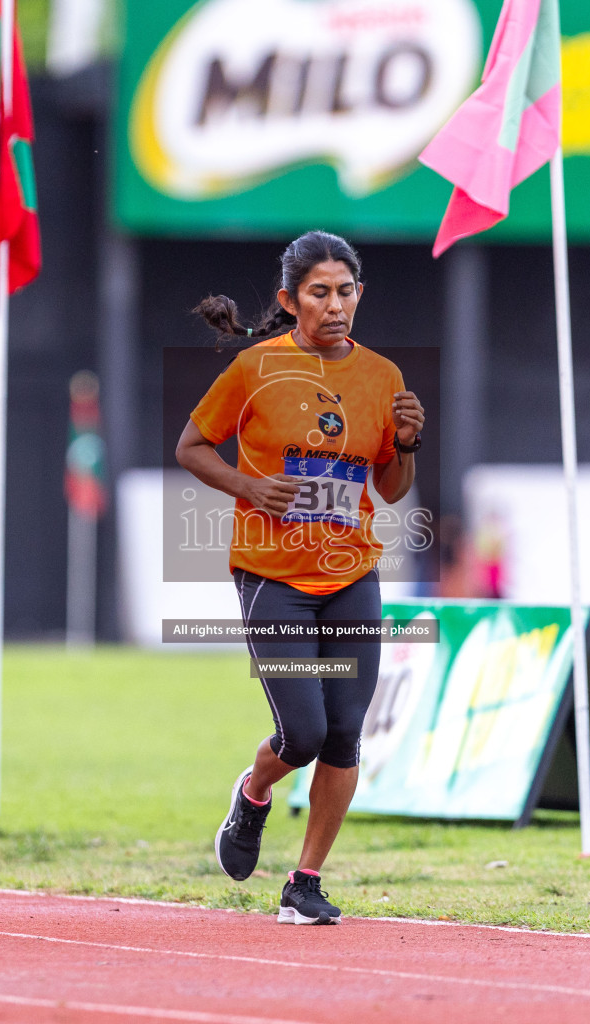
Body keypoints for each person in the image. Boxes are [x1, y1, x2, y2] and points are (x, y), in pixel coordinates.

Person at [175, 231, 425, 925]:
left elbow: (394, 489)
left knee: (346, 733)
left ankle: (305, 881)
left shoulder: (383, 377)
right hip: (272, 576)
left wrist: (406, 445)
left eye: (346, 291)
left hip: (352, 575)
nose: (336, 304)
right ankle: (254, 793)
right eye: (320, 292)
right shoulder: (255, 369)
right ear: (291, 300)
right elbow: (191, 447)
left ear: (360, 295)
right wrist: (249, 488)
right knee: (304, 736)